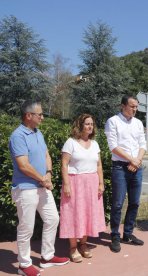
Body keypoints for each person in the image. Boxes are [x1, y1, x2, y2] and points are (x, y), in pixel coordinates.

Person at [9, 100, 69, 276]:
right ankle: (23, 264)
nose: (42, 117)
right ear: (29, 116)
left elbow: (46, 154)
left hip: (42, 186)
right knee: (26, 227)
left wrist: (48, 173)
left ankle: (47, 257)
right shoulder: (17, 136)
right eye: (40, 114)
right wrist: (43, 179)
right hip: (25, 188)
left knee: (52, 219)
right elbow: (23, 165)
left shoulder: (38, 133)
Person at [59, 114, 106, 262]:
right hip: (75, 182)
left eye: (92, 124)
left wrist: (101, 183)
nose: (90, 126)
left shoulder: (95, 144)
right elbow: (64, 164)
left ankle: (83, 244)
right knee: (73, 213)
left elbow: (99, 165)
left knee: (87, 213)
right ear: (80, 125)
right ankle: (73, 247)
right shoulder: (70, 142)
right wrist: (66, 184)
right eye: (87, 124)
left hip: (91, 182)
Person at [105, 95, 147, 252]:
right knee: (117, 203)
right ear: (123, 106)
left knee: (135, 202)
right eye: (132, 106)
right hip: (120, 167)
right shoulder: (113, 121)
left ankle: (128, 233)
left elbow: (143, 144)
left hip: (136, 166)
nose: (135, 109)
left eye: (136, 106)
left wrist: (137, 160)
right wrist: (132, 160)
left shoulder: (138, 123)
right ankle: (115, 234)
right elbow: (113, 147)